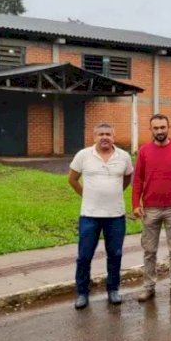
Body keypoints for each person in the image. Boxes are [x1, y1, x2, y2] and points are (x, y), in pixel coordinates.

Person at [68, 122, 134, 310]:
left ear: (113, 136)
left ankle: (113, 290)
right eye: (100, 134)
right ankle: (82, 292)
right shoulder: (83, 155)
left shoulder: (124, 156)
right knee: (84, 256)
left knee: (115, 254)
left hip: (116, 216)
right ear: (94, 137)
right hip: (89, 215)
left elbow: (128, 177)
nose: (104, 137)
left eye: (108, 134)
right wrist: (86, 194)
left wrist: (115, 192)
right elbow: (72, 179)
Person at [132, 114, 171, 302]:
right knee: (149, 250)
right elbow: (138, 179)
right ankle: (148, 287)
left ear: (168, 127)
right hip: (150, 208)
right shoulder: (144, 151)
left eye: (162, 127)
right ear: (150, 129)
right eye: (156, 128)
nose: (159, 131)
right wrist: (135, 203)